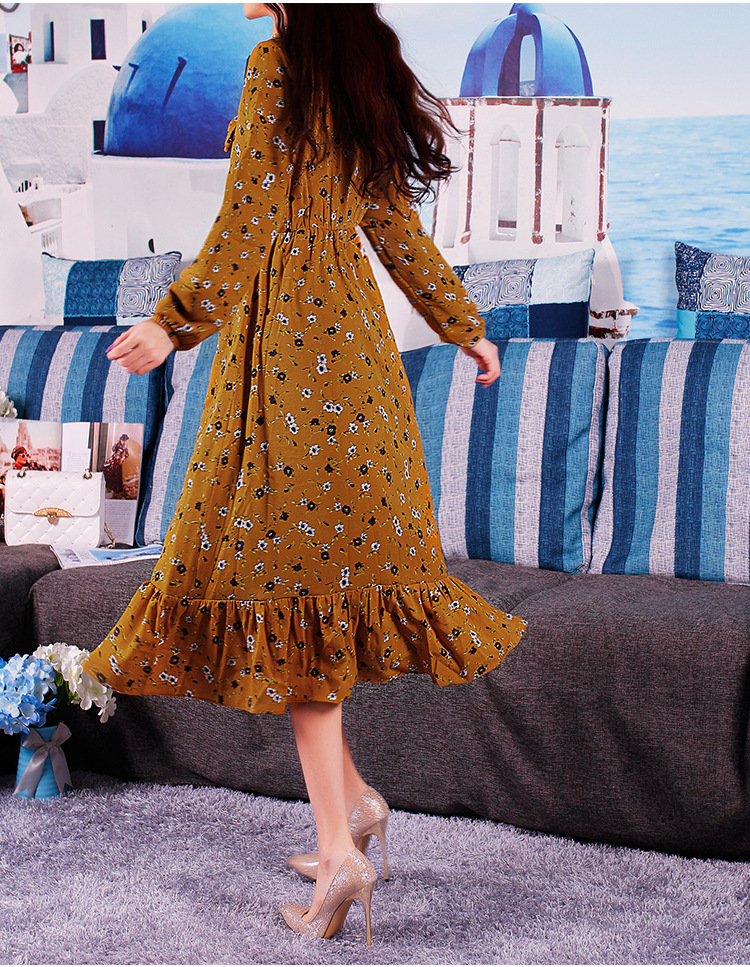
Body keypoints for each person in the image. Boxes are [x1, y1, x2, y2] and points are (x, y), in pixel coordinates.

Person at [82, 3, 526, 945]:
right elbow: (395, 227)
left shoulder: (276, 66)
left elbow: (245, 224)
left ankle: (340, 848)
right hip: (356, 369)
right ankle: (355, 804)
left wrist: (169, 322)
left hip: (284, 367)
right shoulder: (351, 70)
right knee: (305, 595)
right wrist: (466, 327)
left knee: (283, 599)